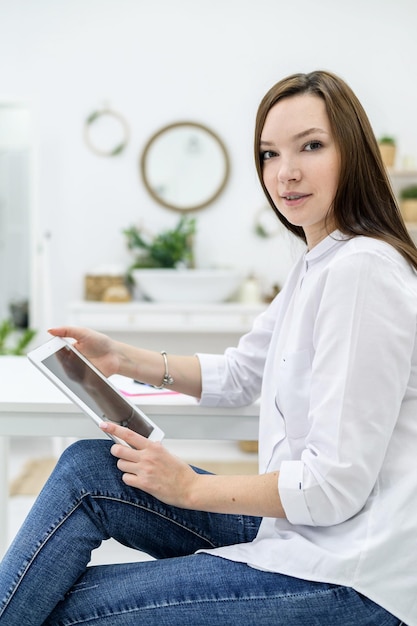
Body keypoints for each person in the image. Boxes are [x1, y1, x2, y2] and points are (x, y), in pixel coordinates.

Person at [0, 70, 416, 626]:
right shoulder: (320, 262)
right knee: (87, 468)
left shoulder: (363, 271)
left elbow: (335, 486)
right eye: (269, 154)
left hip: (348, 570)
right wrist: (123, 359)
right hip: (300, 530)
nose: (285, 172)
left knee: (61, 606)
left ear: (355, 154)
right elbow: (244, 372)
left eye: (311, 146)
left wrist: (190, 486)